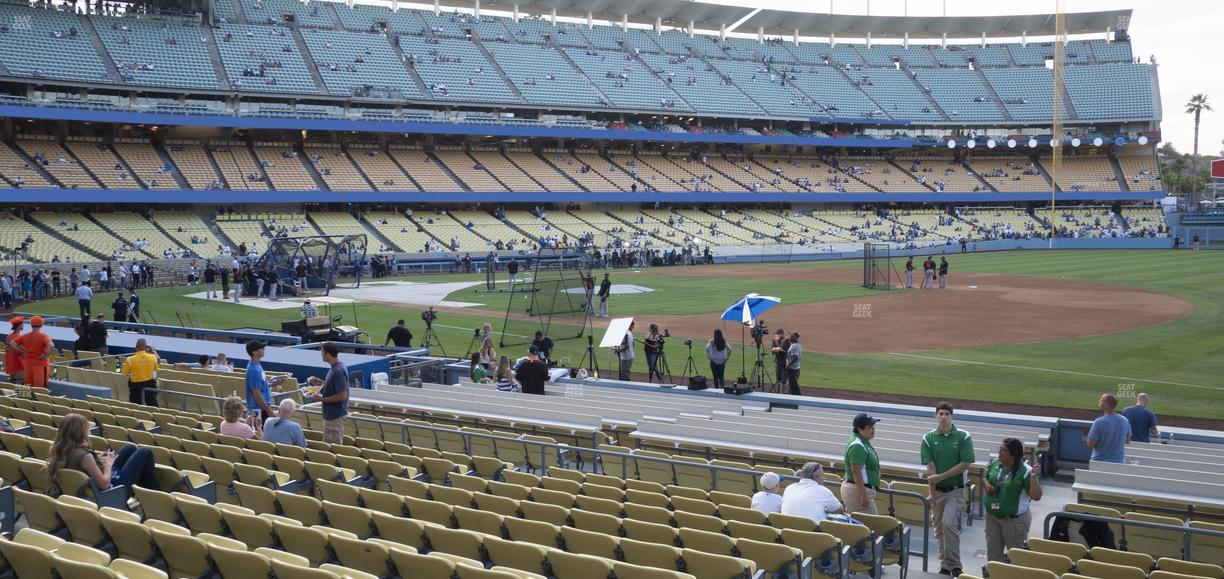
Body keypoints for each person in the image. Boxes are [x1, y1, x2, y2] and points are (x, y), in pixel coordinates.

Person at [921, 402, 975, 577]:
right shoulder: (928, 438)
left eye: (946, 414)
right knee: (939, 528)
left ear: (952, 416)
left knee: (948, 523)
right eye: (940, 413)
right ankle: (945, 564)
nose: (943, 417)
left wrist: (941, 477)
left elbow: (965, 464)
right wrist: (931, 491)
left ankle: (955, 564)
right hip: (938, 491)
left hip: (956, 490)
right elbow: (930, 467)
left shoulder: (964, 437)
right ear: (936, 416)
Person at [46, 413, 157, 492]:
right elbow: (104, 485)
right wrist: (108, 465)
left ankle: (147, 492)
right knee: (144, 452)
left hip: (91, 487)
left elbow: (79, 465)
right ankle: (152, 493)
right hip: (111, 492)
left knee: (130, 448)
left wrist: (97, 459)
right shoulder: (86, 457)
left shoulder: (60, 450)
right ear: (80, 432)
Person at [984, 437, 1043, 562]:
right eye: (999, 449)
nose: (999, 452)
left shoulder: (1026, 471)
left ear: (1013, 454)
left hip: (1014, 521)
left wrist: (1033, 478)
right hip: (993, 517)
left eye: (1003, 450)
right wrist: (986, 484)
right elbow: (986, 477)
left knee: (1016, 558)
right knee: (993, 556)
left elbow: (1037, 496)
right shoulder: (996, 463)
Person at [308, 342, 349, 444]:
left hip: (335, 416)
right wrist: (321, 382)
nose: (320, 354)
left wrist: (321, 399)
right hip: (331, 416)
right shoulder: (336, 367)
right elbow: (334, 387)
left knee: (334, 449)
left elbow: (342, 396)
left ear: (327, 354)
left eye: (321, 352)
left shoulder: (338, 370)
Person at [843, 413, 881, 515]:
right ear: (860, 429)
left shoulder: (861, 442)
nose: (873, 429)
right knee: (874, 525)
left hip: (857, 489)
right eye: (869, 427)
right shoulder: (857, 445)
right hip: (858, 490)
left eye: (873, 427)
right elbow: (856, 472)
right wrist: (863, 494)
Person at [1087, 393, 1130, 463]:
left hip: (1099, 462)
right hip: (1119, 462)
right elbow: (1127, 440)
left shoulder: (1099, 422)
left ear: (1107, 404)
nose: (1099, 401)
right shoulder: (1125, 420)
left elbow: (1090, 444)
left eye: (1101, 400)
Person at [15, 316, 55, 388]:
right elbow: (51, 345)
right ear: (41, 325)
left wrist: (22, 350)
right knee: (40, 389)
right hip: (40, 364)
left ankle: (25, 399)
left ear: (31, 325)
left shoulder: (25, 335)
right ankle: (37, 399)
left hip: (28, 364)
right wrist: (46, 355)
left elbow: (13, 343)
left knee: (27, 386)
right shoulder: (44, 336)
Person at [244, 340, 276, 420]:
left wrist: (275, 383)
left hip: (261, 408)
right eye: (261, 348)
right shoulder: (254, 370)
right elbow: (257, 394)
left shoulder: (256, 365)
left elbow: (261, 386)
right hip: (258, 410)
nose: (264, 349)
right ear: (254, 352)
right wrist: (269, 411)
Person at [121, 338, 159, 406]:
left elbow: (124, 374)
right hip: (150, 383)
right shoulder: (153, 357)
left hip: (136, 385)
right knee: (152, 404)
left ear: (136, 347)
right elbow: (155, 370)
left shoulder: (130, 359)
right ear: (145, 347)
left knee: (135, 406)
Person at [4, 316, 24, 384]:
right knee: (22, 390)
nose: (23, 325)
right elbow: (22, 353)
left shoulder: (9, 336)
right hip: (18, 367)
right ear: (20, 325)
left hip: (10, 366)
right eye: (22, 324)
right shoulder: (19, 337)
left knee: (12, 388)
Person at [785, 331, 802, 396]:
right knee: (792, 386)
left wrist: (788, 364)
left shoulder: (794, 346)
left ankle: (798, 399)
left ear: (793, 338)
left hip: (793, 370)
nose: (789, 337)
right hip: (796, 368)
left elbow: (795, 357)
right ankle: (792, 396)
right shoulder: (797, 345)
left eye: (791, 336)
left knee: (794, 387)